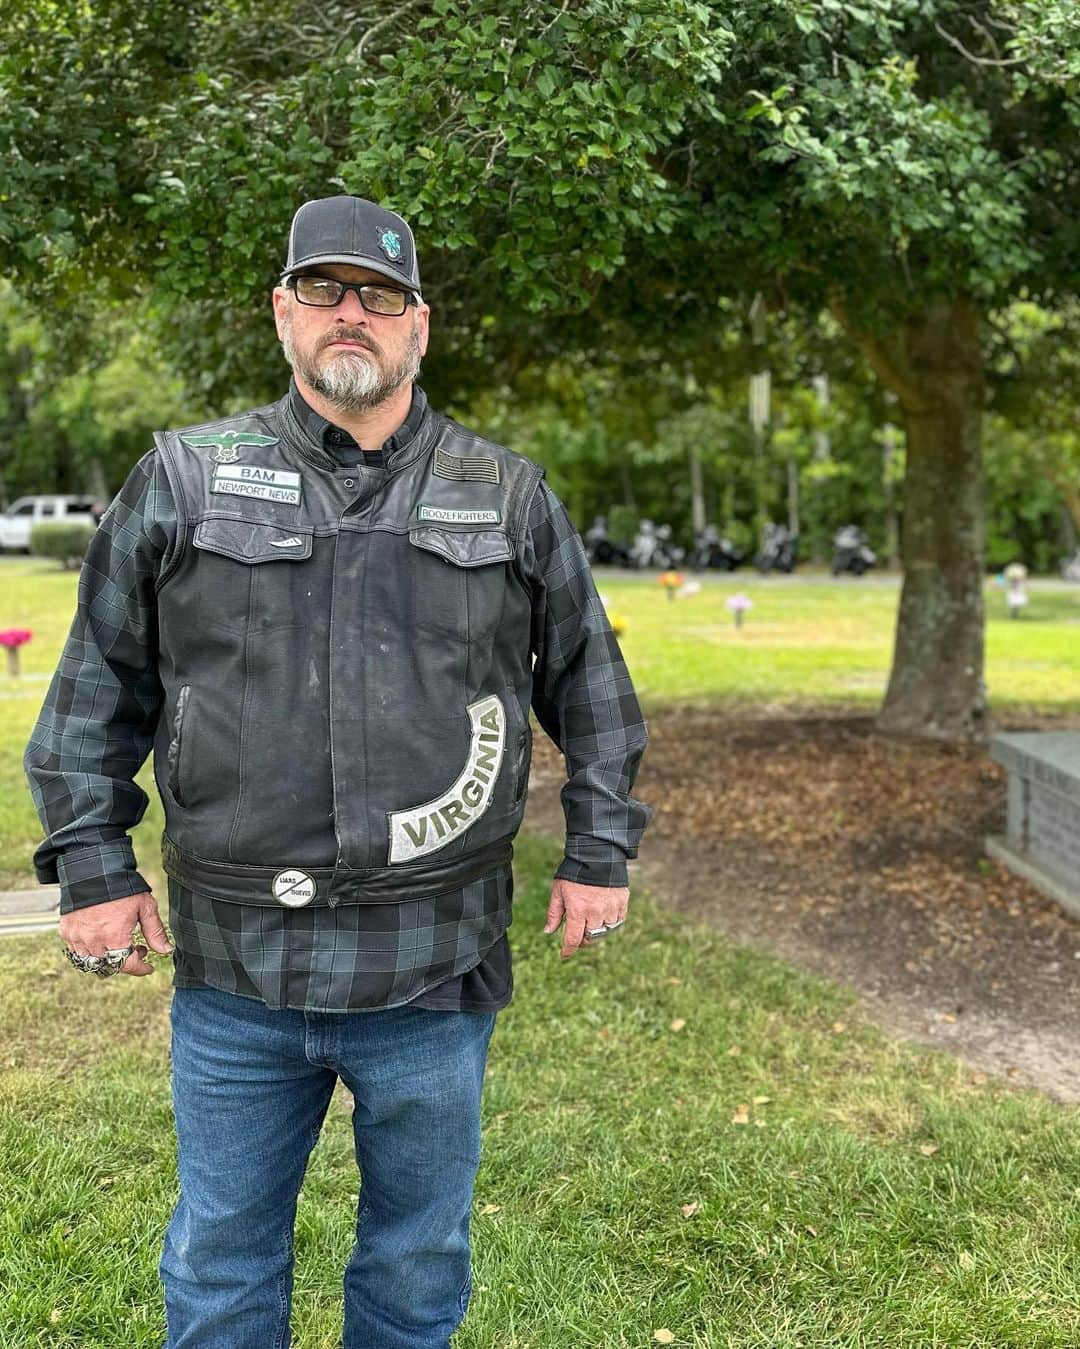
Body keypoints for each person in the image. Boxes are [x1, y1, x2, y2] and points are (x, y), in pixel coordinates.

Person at [24, 195, 651, 1349]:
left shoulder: (506, 493)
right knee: (220, 1258)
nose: (350, 314)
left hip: (434, 962)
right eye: (324, 290)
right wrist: (92, 865)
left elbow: (592, 688)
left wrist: (600, 846)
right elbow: (96, 692)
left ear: (421, 323)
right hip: (235, 968)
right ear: (283, 313)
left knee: (418, 1259)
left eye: (380, 294)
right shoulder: (183, 476)